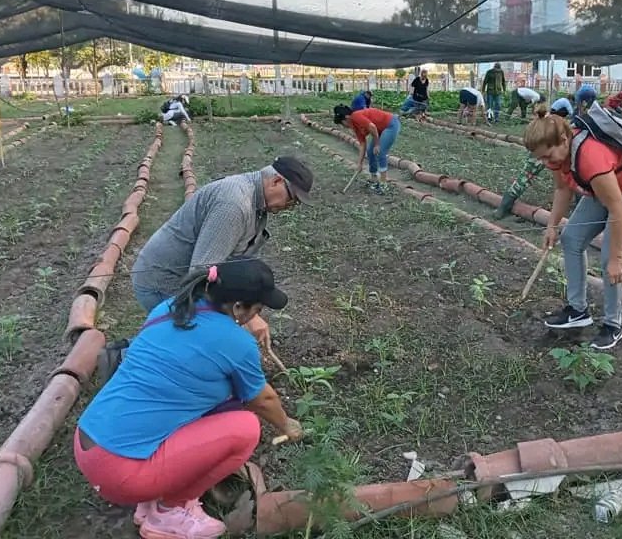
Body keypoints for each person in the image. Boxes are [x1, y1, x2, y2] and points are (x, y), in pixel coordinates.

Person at [74, 260, 304, 539]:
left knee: (207, 398)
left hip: (89, 442)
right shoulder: (236, 342)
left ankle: (150, 497)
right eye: (258, 308)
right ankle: (169, 512)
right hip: (120, 473)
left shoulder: (171, 307)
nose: (259, 314)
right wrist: (287, 425)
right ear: (238, 308)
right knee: (246, 429)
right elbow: (263, 400)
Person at [129, 156, 313, 350]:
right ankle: (124, 357)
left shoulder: (257, 204)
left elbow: (237, 265)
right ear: (276, 181)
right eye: (292, 199)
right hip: (166, 281)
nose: (290, 207)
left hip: (187, 279)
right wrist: (249, 318)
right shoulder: (234, 205)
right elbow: (201, 271)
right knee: (198, 349)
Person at [524, 106, 622, 350]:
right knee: (571, 238)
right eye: (540, 158)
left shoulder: (589, 157)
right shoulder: (557, 157)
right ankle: (577, 311)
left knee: (610, 258)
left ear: (564, 140)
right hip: (602, 191)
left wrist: (617, 258)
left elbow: (617, 208)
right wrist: (552, 226)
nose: (545, 162)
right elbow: (563, 188)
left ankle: (612, 325)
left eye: (548, 156)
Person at [493, 88, 597, 219]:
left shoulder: (577, 113)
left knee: (572, 176)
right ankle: (505, 205)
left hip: (554, 146)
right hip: (552, 145)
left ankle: (504, 206)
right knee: (573, 175)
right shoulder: (575, 111)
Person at [333, 104, 401, 193]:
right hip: (379, 129)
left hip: (390, 125)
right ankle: (374, 179)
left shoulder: (356, 116)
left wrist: (377, 144)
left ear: (346, 117)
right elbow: (362, 144)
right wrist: (359, 163)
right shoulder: (355, 126)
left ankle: (383, 184)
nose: (343, 126)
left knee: (380, 152)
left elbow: (372, 127)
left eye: (342, 123)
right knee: (370, 152)